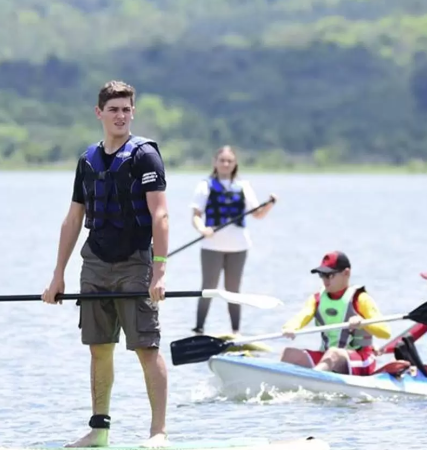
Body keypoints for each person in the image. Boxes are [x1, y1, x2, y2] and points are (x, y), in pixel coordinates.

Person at [41, 80, 170, 448]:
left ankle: (158, 431)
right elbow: (73, 219)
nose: (121, 116)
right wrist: (57, 276)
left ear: (133, 112)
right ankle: (99, 428)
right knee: (98, 347)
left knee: (146, 347)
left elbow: (160, 215)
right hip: (94, 262)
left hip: (134, 262)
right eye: (113, 109)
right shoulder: (87, 160)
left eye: (127, 109)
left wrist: (159, 270)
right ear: (99, 113)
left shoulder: (145, 156)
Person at [189, 145, 276, 337]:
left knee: (233, 290)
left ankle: (236, 331)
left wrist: (269, 204)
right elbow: (196, 215)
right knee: (208, 288)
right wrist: (203, 229)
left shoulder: (243, 186)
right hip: (211, 246)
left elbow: (258, 214)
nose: (225, 164)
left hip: (238, 247)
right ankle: (199, 329)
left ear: (234, 163)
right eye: (222, 160)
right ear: (215, 162)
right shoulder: (205, 185)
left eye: (229, 161)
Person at [279, 251, 391, 375]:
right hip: (328, 358)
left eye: (330, 275)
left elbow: (385, 333)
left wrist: (363, 323)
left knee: (334, 353)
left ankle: (314, 380)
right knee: (289, 353)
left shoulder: (361, 299)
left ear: (346, 273)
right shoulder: (316, 299)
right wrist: (289, 327)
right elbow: (302, 316)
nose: (325, 280)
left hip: (362, 359)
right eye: (322, 275)